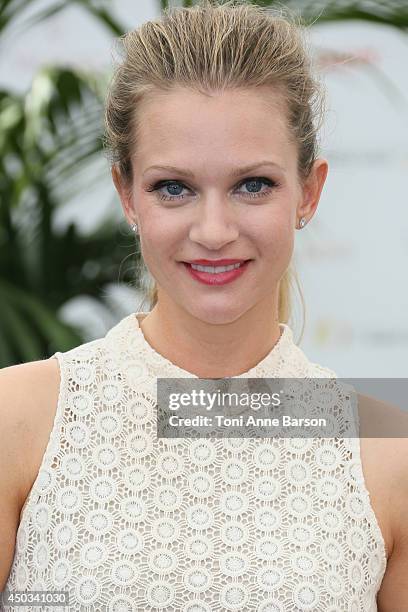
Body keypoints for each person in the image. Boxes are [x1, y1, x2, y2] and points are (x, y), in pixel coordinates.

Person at [1, 1, 407, 610]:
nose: (214, 230)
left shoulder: (388, 450)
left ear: (310, 190)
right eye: (174, 188)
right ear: (128, 196)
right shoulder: (18, 418)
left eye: (253, 185)